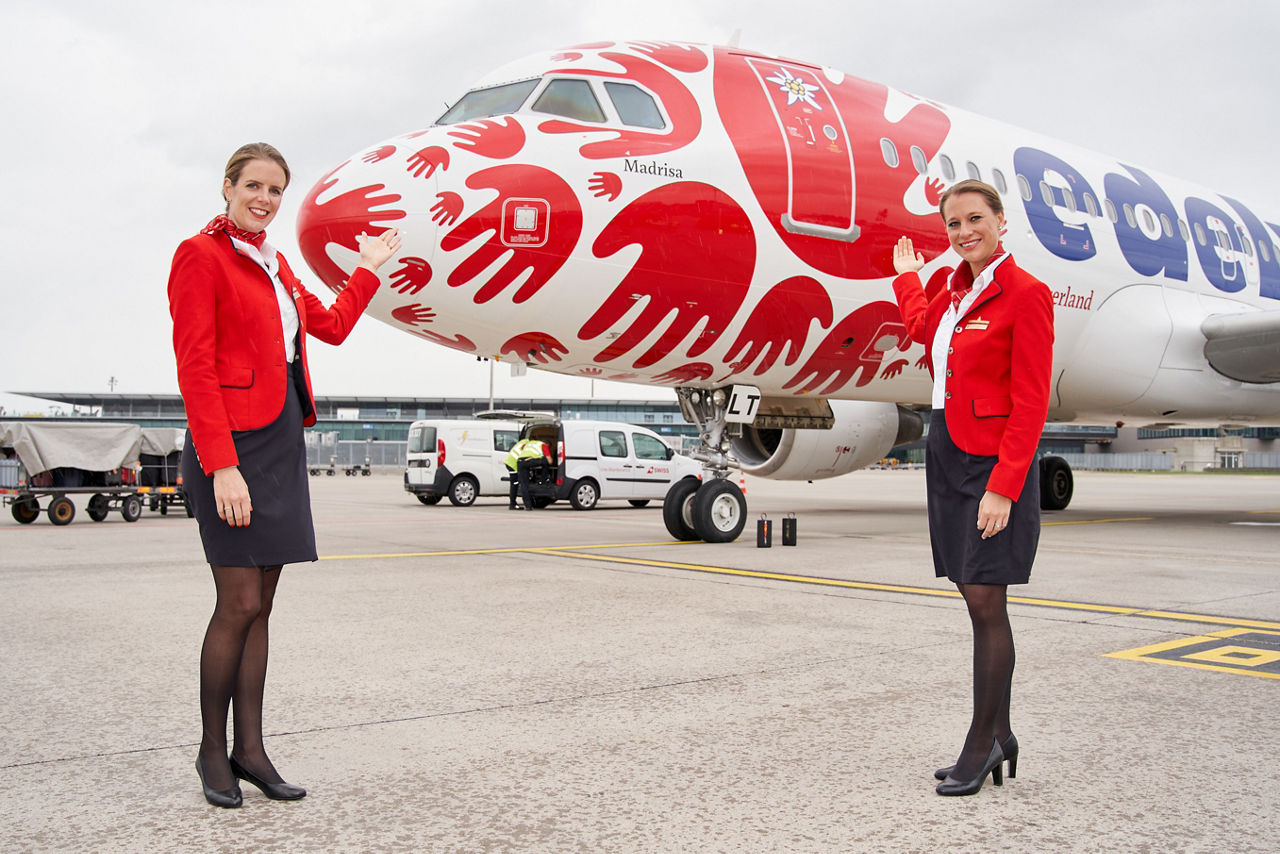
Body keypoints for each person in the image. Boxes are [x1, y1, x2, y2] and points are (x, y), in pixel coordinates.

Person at [169, 142, 401, 808]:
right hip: (231, 447)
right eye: (253, 186)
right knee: (237, 603)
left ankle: (252, 751)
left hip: (278, 442)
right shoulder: (199, 256)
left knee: (263, 607)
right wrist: (221, 467)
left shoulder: (275, 263)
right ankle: (213, 752)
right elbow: (196, 368)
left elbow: (327, 327)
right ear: (227, 186)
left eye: (275, 190)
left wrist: (365, 269)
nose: (264, 199)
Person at [891, 179, 1054, 797]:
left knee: (987, 605)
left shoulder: (1027, 295)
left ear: (1000, 220)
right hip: (947, 453)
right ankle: (1002, 732)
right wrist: (908, 277)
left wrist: (1005, 487)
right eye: (953, 224)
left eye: (974, 219)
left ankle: (981, 743)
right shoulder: (952, 289)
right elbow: (917, 331)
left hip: (992, 464)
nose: (964, 233)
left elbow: (1032, 401)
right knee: (973, 597)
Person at [504, 436, 551, 510]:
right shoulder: (531, 444)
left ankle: (515, 504)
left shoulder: (524, 441)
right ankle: (513, 504)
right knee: (515, 484)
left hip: (511, 461)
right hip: (514, 463)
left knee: (517, 484)